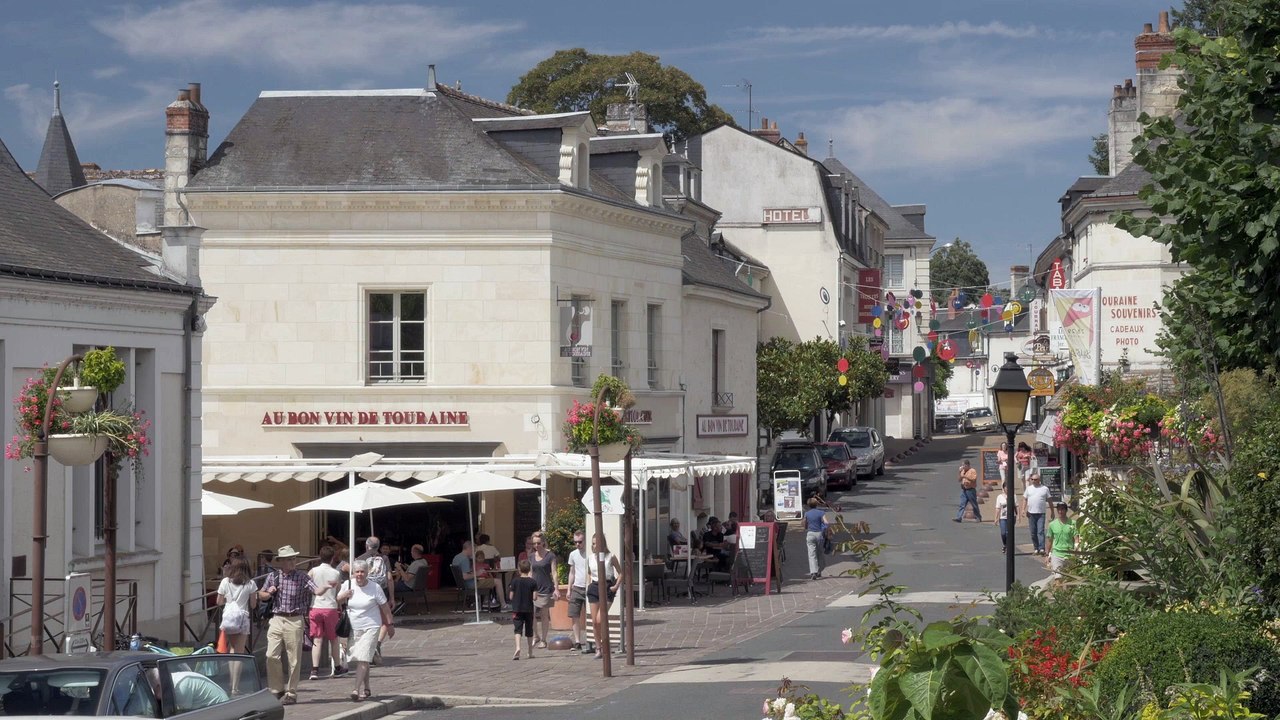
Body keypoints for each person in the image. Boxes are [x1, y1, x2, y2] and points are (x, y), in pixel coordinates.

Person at [257, 545, 332, 705]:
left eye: (293, 558)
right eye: (289, 559)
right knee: (271, 655)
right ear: (281, 561)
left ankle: (291, 692)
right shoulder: (273, 576)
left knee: (294, 659)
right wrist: (268, 592)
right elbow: (261, 595)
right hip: (277, 618)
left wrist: (325, 587)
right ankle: (277, 689)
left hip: (295, 619)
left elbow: (316, 591)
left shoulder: (302, 576)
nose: (292, 561)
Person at [336, 559, 394, 702]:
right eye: (357, 572)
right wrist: (344, 596)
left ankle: (356, 689)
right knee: (363, 658)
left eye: (363, 572)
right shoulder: (347, 584)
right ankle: (367, 686)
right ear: (353, 573)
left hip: (371, 626)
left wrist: (390, 624)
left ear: (367, 573)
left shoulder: (375, 587)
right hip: (354, 627)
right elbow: (337, 600)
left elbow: (385, 607)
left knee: (363, 657)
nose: (360, 574)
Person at [215, 557, 257, 695]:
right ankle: (235, 687)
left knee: (231, 650)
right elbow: (253, 605)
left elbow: (219, 602)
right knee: (239, 653)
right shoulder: (250, 584)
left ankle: (230, 682)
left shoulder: (225, 582)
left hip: (229, 618)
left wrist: (229, 600)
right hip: (243, 618)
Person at [308, 546, 344, 680]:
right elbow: (338, 590)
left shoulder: (313, 571)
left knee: (317, 639)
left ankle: (314, 670)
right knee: (334, 639)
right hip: (330, 607)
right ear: (333, 557)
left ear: (320, 556)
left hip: (315, 607)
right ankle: (338, 667)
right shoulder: (335, 573)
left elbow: (307, 583)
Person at [586, 533, 623, 660]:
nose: (595, 545)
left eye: (597, 543)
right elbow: (589, 573)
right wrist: (589, 584)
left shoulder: (610, 556)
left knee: (600, 619)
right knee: (594, 622)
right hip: (594, 587)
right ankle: (598, 648)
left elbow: (621, 573)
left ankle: (605, 645)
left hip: (607, 586)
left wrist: (615, 586)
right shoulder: (590, 558)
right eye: (593, 543)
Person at [527, 532, 560, 648]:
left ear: (543, 542)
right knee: (532, 614)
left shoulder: (550, 556)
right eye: (534, 543)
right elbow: (530, 572)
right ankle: (536, 636)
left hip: (546, 588)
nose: (536, 545)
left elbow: (554, 572)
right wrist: (528, 586)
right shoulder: (531, 556)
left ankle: (544, 639)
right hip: (534, 589)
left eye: (538, 543)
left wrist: (556, 588)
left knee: (544, 615)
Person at [451, 542, 505, 611]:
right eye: (473, 550)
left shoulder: (456, 557)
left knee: (486, 579)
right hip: (471, 584)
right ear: (469, 548)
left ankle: (485, 602)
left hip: (463, 585)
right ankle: (504, 605)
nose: (473, 552)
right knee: (498, 581)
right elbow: (465, 577)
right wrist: (477, 573)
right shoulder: (465, 559)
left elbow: (463, 574)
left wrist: (475, 573)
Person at [565, 531, 591, 652]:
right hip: (576, 587)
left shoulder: (590, 553)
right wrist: (569, 589)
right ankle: (577, 641)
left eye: (580, 542)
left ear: (585, 541)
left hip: (589, 587)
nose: (577, 544)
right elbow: (572, 572)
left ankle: (592, 640)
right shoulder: (573, 554)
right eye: (575, 542)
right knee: (574, 615)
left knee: (591, 615)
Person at [508, 559, 538, 660]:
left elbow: (511, 596)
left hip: (517, 609)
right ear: (529, 569)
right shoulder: (533, 582)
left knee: (517, 629)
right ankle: (530, 651)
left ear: (519, 569)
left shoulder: (515, 581)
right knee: (529, 630)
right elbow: (535, 597)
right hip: (529, 609)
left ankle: (518, 647)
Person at [357, 537, 394, 611]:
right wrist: (392, 598)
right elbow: (389, 578)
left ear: (367, 546)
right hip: (382, 589)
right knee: (382, 615)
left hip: (366, 590)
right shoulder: (384, 558)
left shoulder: (360, 559)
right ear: (378, 547)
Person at [1020, 471, 1051, 556]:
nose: (1033, 481)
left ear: (1039, 480)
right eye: (1032, 479)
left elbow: (1050, 500)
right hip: (1031, 513)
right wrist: (1023, 509)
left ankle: (1041, 548)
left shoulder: (1044, 488)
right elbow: (1025, 499)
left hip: (1041, 513)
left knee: (1040, 531)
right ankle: (1036, 548)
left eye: (1035, 479)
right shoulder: (1029, 488)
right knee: (1033, 532)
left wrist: (1052, 511)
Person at [392, 543, 429, 614]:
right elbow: (415, 572)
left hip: (409, 586)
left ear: (415, 552)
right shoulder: (424, 561)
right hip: (418, 586)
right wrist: (408, 568)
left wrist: (399, 568)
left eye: (412, 551)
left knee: (388, 586)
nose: (411, 553)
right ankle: (398, 604)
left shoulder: (416, 564)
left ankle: (396, 603)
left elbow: (407, 578)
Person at [1046, 502, 1078, 582]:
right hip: (1057, 554)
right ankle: (1058, 593)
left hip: (1069, 554)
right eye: (1059, 509)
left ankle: (1068, 594)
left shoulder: (1073, 523)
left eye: (1062, 509)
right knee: (1058, 578)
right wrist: (1048, 554)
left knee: (1070, 580)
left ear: (1066, 510)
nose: (1060, 511)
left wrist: (1076, 550)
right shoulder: (1052, 524)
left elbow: (1076, 538)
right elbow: (1050, 540)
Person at [803, 497, 827, 580]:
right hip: (819, 534)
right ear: (816, 504)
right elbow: (826, 522)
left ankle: (813, 572)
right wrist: (825, 529)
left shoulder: (807, 513)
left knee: (811, 554)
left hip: (810, 534)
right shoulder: (821, 513)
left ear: (808, 505)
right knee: (820, 553)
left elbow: (805, 525)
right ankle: (819, 570)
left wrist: (807, 526)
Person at [993, 480, 1012, 554]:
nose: (1007, 489)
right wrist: (996, 518)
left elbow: (1017, 506)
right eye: (1006, 487)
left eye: (1008, 487)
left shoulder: (1013, 495)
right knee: (1003, 533)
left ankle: (1008, 546)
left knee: (1008, 533)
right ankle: (1005, 544)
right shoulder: (999, 497)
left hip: (1011, 517)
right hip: (1003, 517)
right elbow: (998, 508)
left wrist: (1018, 516)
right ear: (1003, 488)